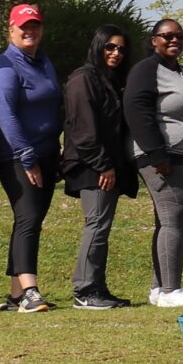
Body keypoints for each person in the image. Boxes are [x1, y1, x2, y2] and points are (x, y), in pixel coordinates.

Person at [124, 18, 183, 307]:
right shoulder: (146, 70)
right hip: (165, 156)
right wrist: (157, 153)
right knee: (174, 220)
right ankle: (171, 290)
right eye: (167, 36)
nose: (174, 40)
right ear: (154, 40)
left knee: (170, 221)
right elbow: (137, 110)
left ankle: (160, 288)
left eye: (180, 36)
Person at [0, 2, 63, 314]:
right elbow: (5, 113)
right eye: (23, 27)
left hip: (46, 153)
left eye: (35, 26)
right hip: (18, 155)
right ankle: (30, 291)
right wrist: (27, 156)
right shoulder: (4, 66)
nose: (29, 31)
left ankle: (17, 293)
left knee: (29, 220)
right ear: (11, 30)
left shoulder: (43, 62)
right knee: (28, 216)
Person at [58, 24, 137, 310]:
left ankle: (97, 287)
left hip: (107, 164)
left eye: (121, 49)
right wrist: (104, 165)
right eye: (110, 47)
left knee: (102, 225)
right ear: (98, 46)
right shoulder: (83, 79)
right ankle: (85, 290)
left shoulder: (110, 80)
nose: (116, 53)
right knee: (97, 224)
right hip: (92, 165)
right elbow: (82, 130)